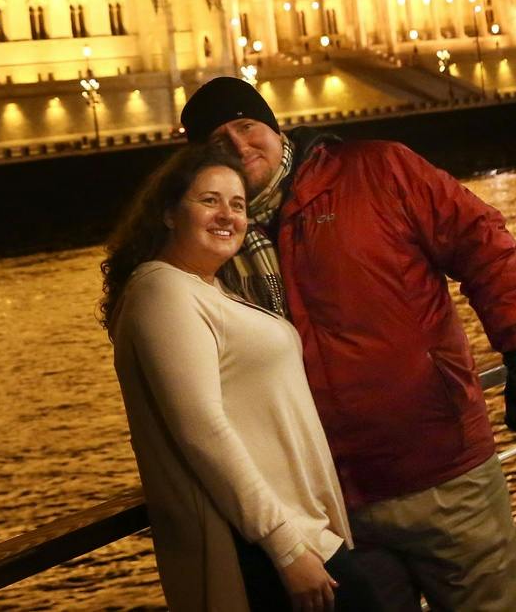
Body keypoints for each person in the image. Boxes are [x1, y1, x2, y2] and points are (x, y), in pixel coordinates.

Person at [180, 76, 516, 612]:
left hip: (444, 473)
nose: (240, 146)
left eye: (248, 126)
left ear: (274, 127)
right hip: (332, 506)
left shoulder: (379, 170)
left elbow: (484, 244)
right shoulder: (213, 239)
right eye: (218, 140)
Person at [103, 140, 398, 612]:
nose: (227, 215)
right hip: (267, 543)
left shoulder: (208, 288)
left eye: (237, 204)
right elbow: (202, 429)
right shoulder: (163, 291)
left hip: (298, 529)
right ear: (168, 213)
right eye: (208, 200)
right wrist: (284, 546)